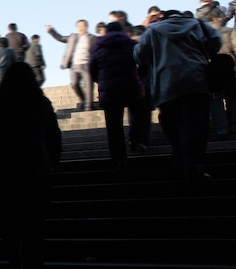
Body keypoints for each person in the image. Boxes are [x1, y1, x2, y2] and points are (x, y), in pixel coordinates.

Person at [0, 62, 61, 269]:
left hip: (4, 173)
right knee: (35, 230)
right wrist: (52, 162)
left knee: (10, 228)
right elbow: (54, 137)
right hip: (35, 171)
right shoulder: (41, 102)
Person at [134, 9, 222, 181]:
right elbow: (216, 42)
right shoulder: (198, 25)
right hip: (196, 82)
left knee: (172, 125)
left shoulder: (153, 30)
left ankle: (179, 156)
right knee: (196, 126)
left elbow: (138, 55)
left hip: (166, 86)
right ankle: (195, 165)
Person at [89, 21, 145, 170]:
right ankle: (135, 140)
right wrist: (138, 77)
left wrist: (101, 80)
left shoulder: (98, 47)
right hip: (131, 86)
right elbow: (143, 62)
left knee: (114, 128)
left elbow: (92, 69)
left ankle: (119, 159)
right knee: (139, 114)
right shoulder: (131, 44)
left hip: (109, 91)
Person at [46, 20, 98, 111]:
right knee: (74, 84)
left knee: (89, 84)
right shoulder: (72, 37)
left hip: (86, 64)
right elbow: (60, 38)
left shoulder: (93, 38)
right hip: (74, 65)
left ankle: (89, 106)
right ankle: (84, 100)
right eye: (79, 26)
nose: (81, 28)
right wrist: (51, 31)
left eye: (83, 26)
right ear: (77, 27)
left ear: (86, 27)